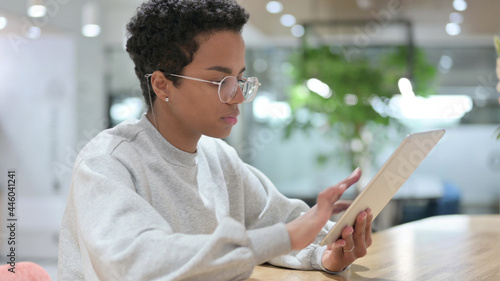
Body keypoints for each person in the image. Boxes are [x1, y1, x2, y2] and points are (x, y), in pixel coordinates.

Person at [57, 0, 373, 280]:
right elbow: (136, 264)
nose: (237, 96)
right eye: (220, 81)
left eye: (240, 79)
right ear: (163, 84)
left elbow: (279, 225)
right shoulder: (107, 162)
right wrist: (287, 237)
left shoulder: (219, 159)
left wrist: (326, 255)